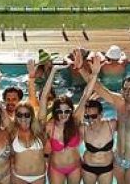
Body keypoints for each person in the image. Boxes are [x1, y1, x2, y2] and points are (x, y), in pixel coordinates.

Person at [45, 55, 100, 184]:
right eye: (59, 111)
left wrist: (95, 74)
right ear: (54, 112)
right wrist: (53, 71)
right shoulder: (50, 126)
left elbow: (86, 95)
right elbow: (44, 97)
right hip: (56, 168)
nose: (63, 114)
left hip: (75, 167)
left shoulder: (75, 120)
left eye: (67, 111)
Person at [9, 101, 46, 184]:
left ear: (32, 116)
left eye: (26, 115)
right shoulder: (13, 130)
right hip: (18, 177)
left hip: (38, 178)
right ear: (15, 116)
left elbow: (44, 98)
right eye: (19, 115)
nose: (23, 118)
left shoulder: (39, 130)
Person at [81, 98, 117, 184]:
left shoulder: (111, 125)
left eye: (93, 116)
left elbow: (128, 129)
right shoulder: (83, 128)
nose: (90, 120)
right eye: (87, 117)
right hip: (88, 168)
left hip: (107, 169)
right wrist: (84, 102)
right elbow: (73, 116)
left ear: (101, 115)